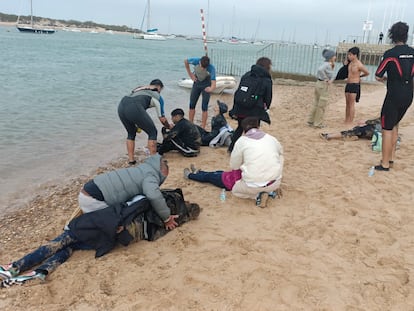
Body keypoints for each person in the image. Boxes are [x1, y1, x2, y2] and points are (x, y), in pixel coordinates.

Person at [0, 189, 201, 287]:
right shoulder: (169, 225)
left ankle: (17, 266)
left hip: (106, 226)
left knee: (64, 240)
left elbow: (129, 206)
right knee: (71, 248)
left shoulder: (156, 201)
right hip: (109, 240)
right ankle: (42, 271)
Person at [78, 153, 179, 230]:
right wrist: (167, 218)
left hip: (89, 188)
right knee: (118, 226)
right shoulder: (150, 177)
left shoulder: (141, 169)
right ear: (162, 172)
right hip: (94, 200)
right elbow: (154, 196)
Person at [373, 22, 414, 171]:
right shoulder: (412, 52)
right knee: (395, 124)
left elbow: (378, 75)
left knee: (387, 127)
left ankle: (384, 163)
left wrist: (386, 79)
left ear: (392, 35)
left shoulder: (390, 54)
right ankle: (391, 158)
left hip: (394, 95)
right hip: (409, 95)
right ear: (406, 35)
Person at [118, 79, 171, 164]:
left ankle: (131, 161)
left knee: (131, 133)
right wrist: (169, 126)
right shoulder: (157, 96)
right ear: (159, 87)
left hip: (121, 105)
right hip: (134, 107)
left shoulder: (140, 89)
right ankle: (154, 161)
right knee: (152, 132)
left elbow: (137, 106)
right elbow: (162, 119)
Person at [228, 57, 273, 152]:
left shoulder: (247, 75)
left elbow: (240, 91)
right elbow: (268, 97)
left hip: (240, 108)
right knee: (254, 130)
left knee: (240, 128)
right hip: (254, 110)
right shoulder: (266, 79)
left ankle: (231, 148)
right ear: (267, 67)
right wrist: (266, 108)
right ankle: (251, 150)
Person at [184, 56, 217, 129]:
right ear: (199, 62)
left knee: (204, 107)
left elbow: (214, 83)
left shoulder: (211, 68)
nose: (202, 69)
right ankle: (191, 124)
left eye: (204, 68)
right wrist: (190, 74)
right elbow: (186, 61)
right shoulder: (195, 60)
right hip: (197, 83)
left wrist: (211, 89)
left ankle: (203, 127)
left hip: (206, 85)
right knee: (192, 105)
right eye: (201, 67)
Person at [307, 49, 337, 128]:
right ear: (330, 57)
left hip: (318, 83)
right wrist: (326, 79)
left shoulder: (325, 63)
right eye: (334, 56)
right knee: (322, 105)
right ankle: (318, 123)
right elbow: (321, 70)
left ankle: (311, 120)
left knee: (316, 103)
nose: (335, 57)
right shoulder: (327, 65)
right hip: (323, 85)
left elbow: (321, 70)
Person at [344, 47, 370, 124]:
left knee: (351, 104)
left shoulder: (359, 64)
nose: (349, 56)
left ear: (355, 55)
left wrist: (359, 77)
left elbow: (367, 73)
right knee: (347, 103)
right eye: (348, 54)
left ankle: (350, 121)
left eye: (350, 55)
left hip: (354, 84)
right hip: (348, 84)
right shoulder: (350, 63)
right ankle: (346, 119)